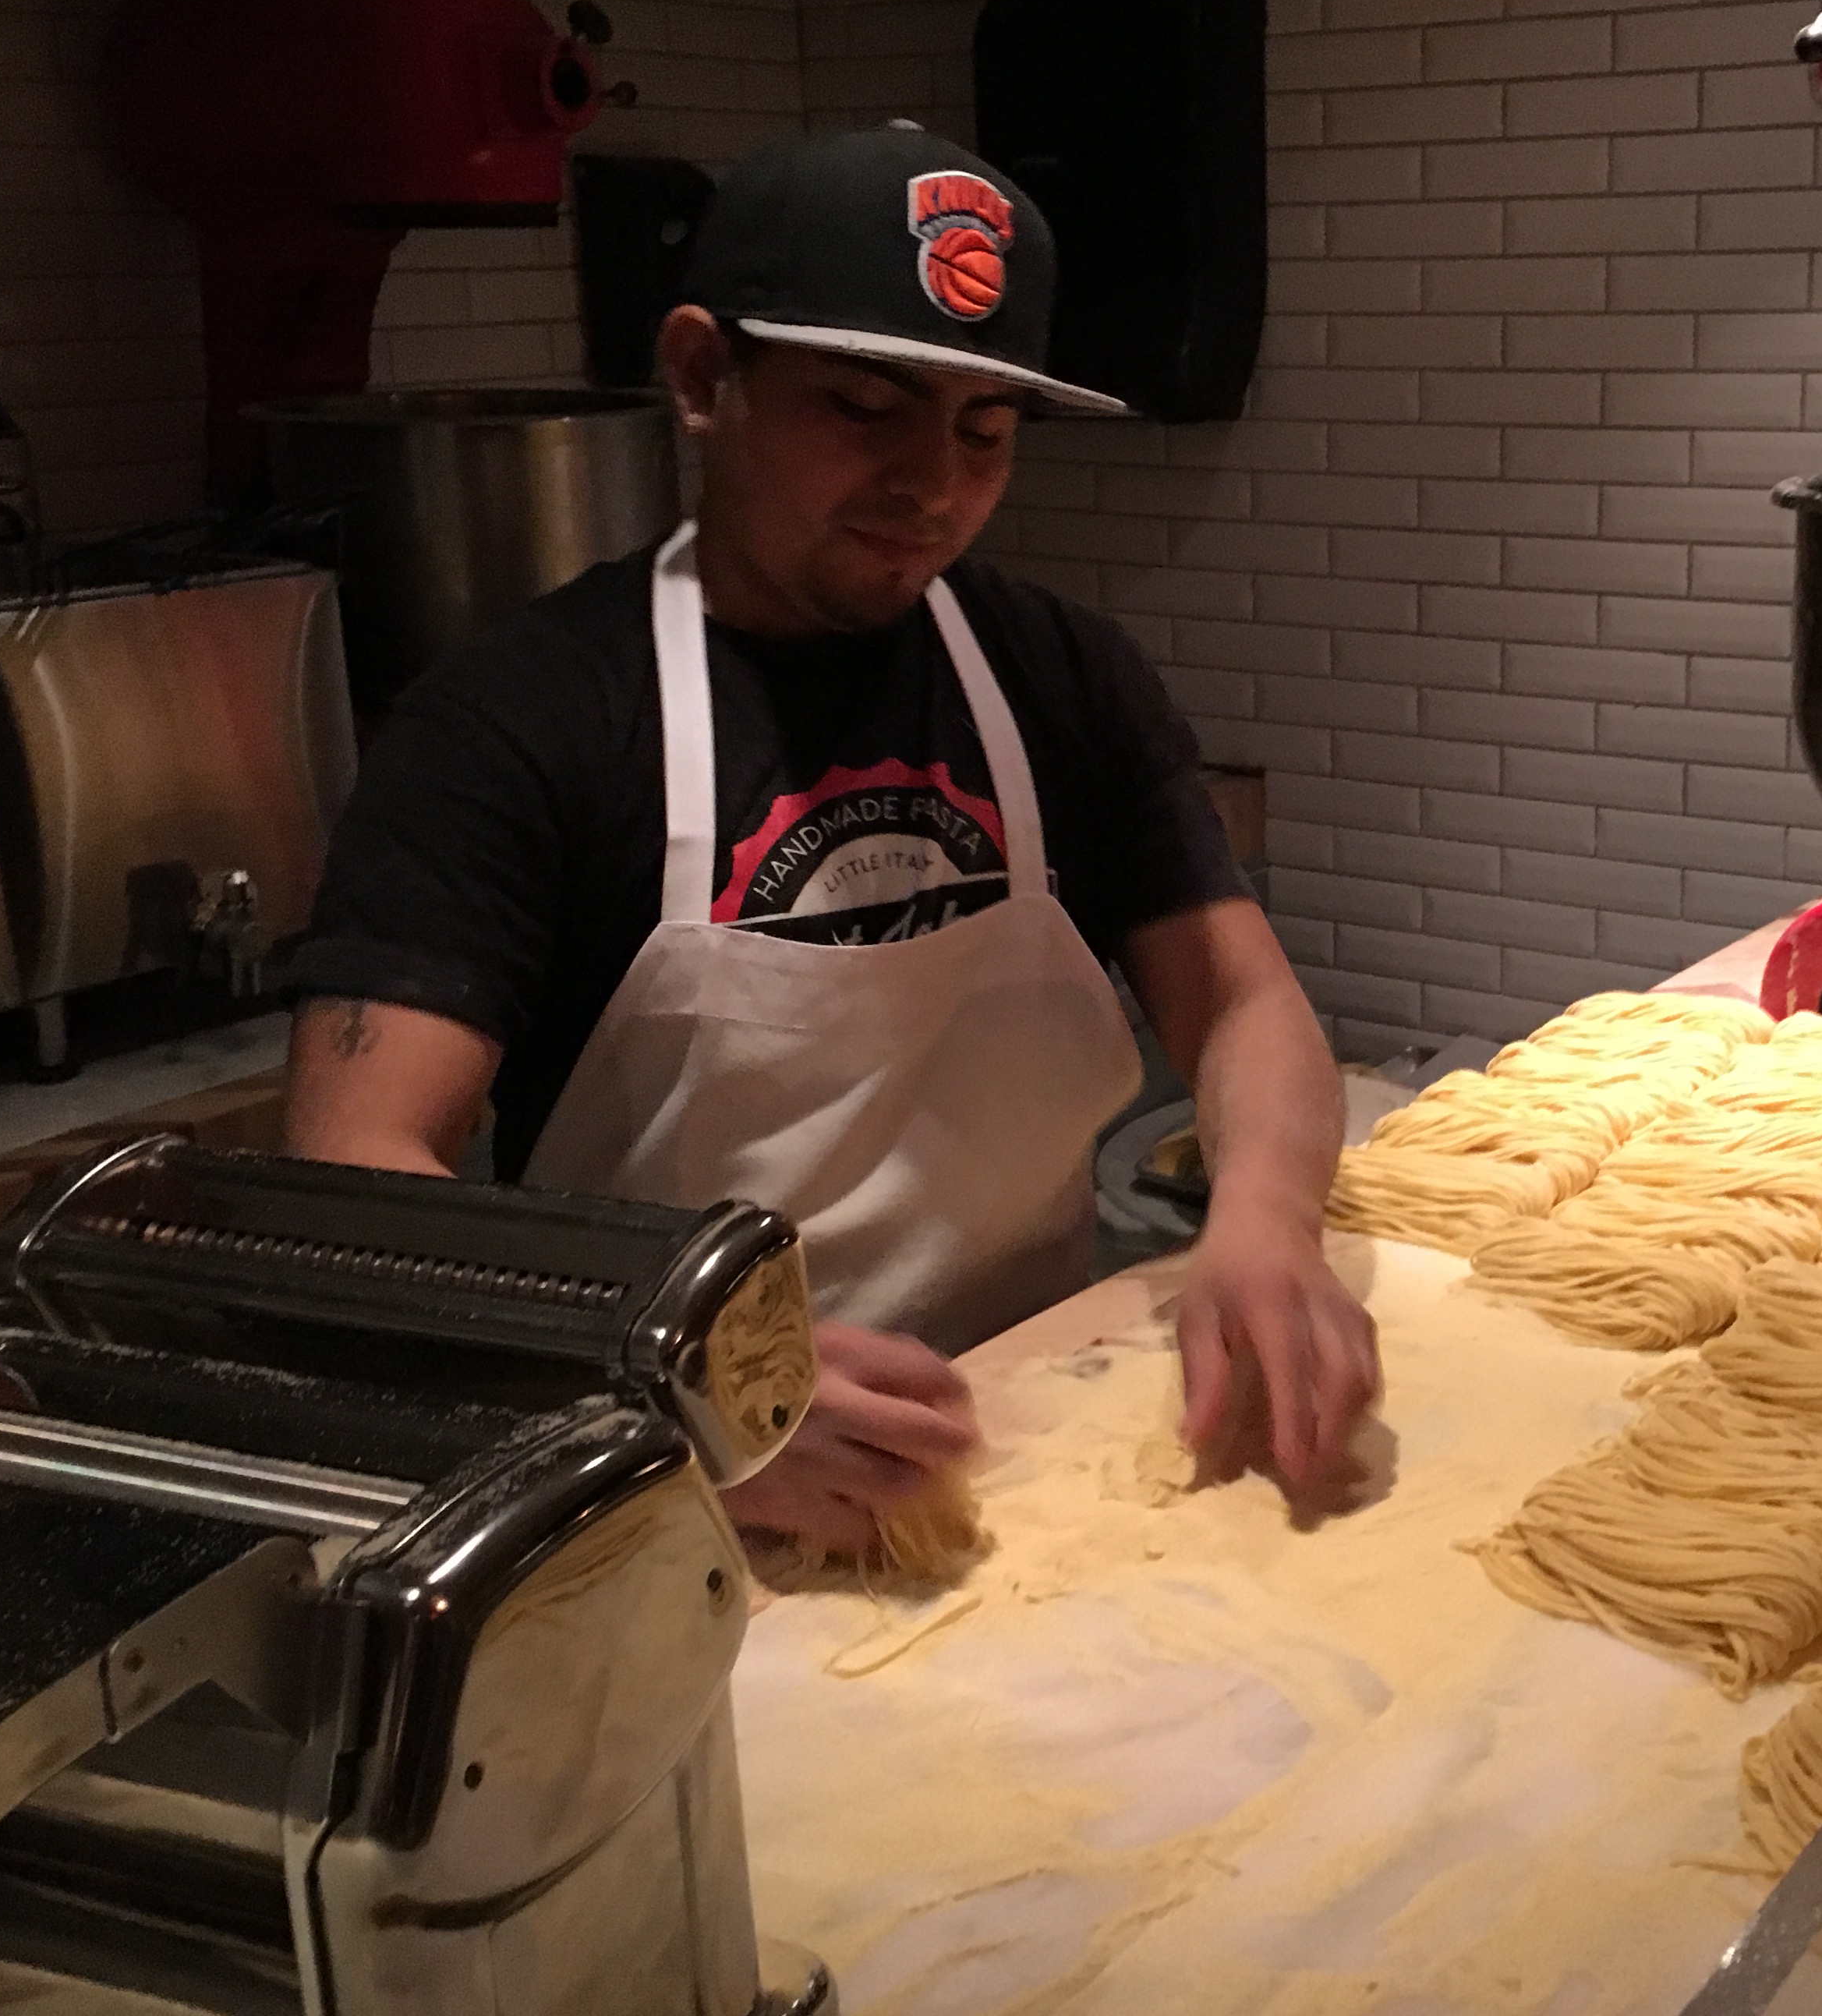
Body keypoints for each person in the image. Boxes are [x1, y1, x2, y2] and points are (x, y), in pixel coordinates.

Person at [281, 126, 1380, 1554]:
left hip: (1044, 1421)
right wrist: (663, 1382)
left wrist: (1267, 1219)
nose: (933, 485)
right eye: (866, 408)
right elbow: (349, 1165)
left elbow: (1240, 1003)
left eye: (986, 431)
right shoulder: (519, 720)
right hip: (668, 1487)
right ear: (701, 378)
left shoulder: (1059, 677)